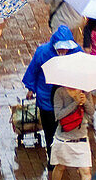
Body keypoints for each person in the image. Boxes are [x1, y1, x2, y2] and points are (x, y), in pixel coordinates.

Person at [22, 26, 81, 169]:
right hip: (46, 97)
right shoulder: (42, 52)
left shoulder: (77, 53)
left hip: (67, 98)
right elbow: (34, 70)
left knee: (66, 128)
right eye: (60, 48)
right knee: (50, 131)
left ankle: (63, 155)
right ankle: (52, 157)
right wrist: (31, 88)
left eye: (65, 48)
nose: (63, 51)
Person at [49, 85, 94, 180]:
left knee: (85, 171)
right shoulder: (60, 92)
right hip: (64, 138)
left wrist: (85, 102)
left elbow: (91, 112)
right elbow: (58, 115)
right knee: (61, 166)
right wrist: (75, 103)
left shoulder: (86, 91)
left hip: (81, 138)